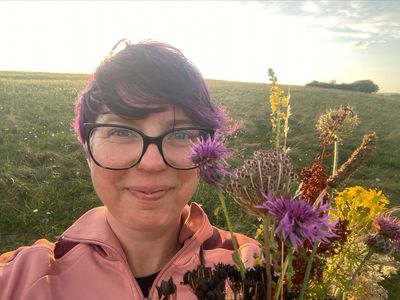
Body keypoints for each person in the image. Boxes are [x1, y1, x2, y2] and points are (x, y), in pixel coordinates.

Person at [0, 40, 260, 299]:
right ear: (88, 150)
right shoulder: (17, 280)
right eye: (121, 131)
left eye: (180, 134)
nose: (151, 162)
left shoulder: (256, 269)